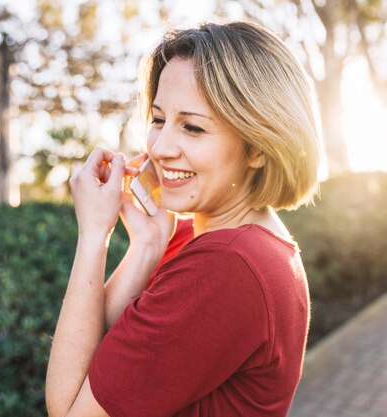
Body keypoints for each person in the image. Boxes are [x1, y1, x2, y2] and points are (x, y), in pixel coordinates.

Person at [45, 20, 322, 417]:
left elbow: (68, 408)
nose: (160, 147)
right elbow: (102, 366)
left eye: (192, 127)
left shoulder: (226, 264)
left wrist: (93, 235)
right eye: (158, 119)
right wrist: (147, 245)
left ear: (258, 148)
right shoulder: (218, 239)